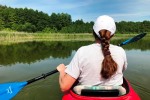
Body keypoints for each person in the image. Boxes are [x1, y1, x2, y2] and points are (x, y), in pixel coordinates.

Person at [57, 15, 127, 95]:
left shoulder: (82, 51)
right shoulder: (121, 51)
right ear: (113, 35)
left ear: (93, 32)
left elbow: (64, 87)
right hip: (116, 95)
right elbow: (122, 70)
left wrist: (62, 71)